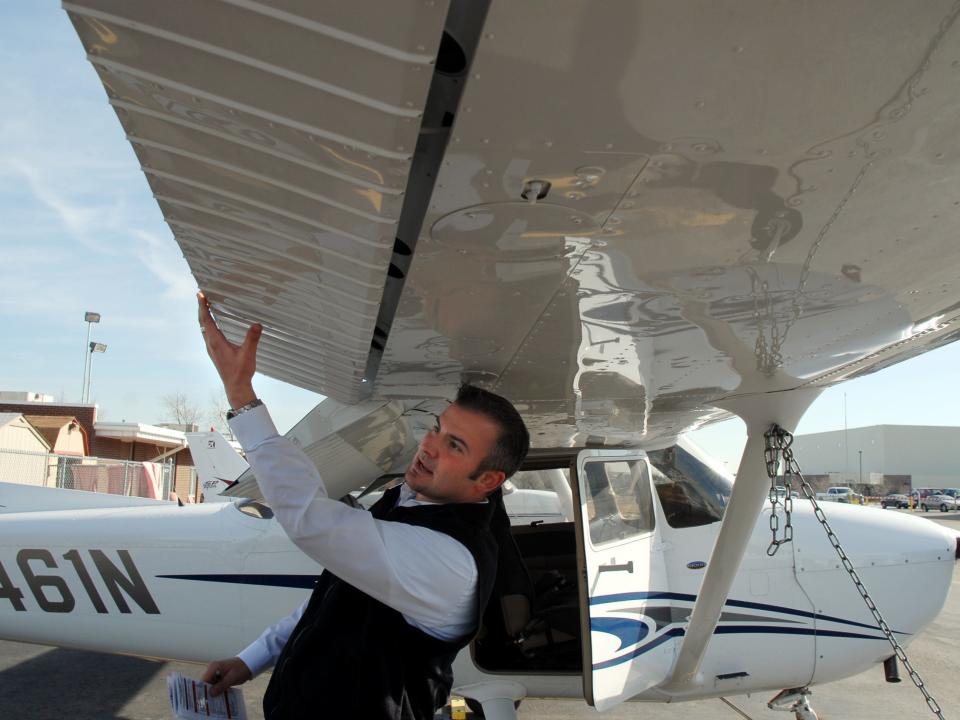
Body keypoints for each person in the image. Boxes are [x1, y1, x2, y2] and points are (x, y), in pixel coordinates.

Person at [194, 293, 529, 719]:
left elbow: (310, 518)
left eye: (454, 446)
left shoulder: (451, 559)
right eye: (437, 429)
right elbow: (337, 596)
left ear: (488, 480)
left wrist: (241, 393)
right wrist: (251, 659)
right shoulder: (409, 506)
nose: (428, 446)